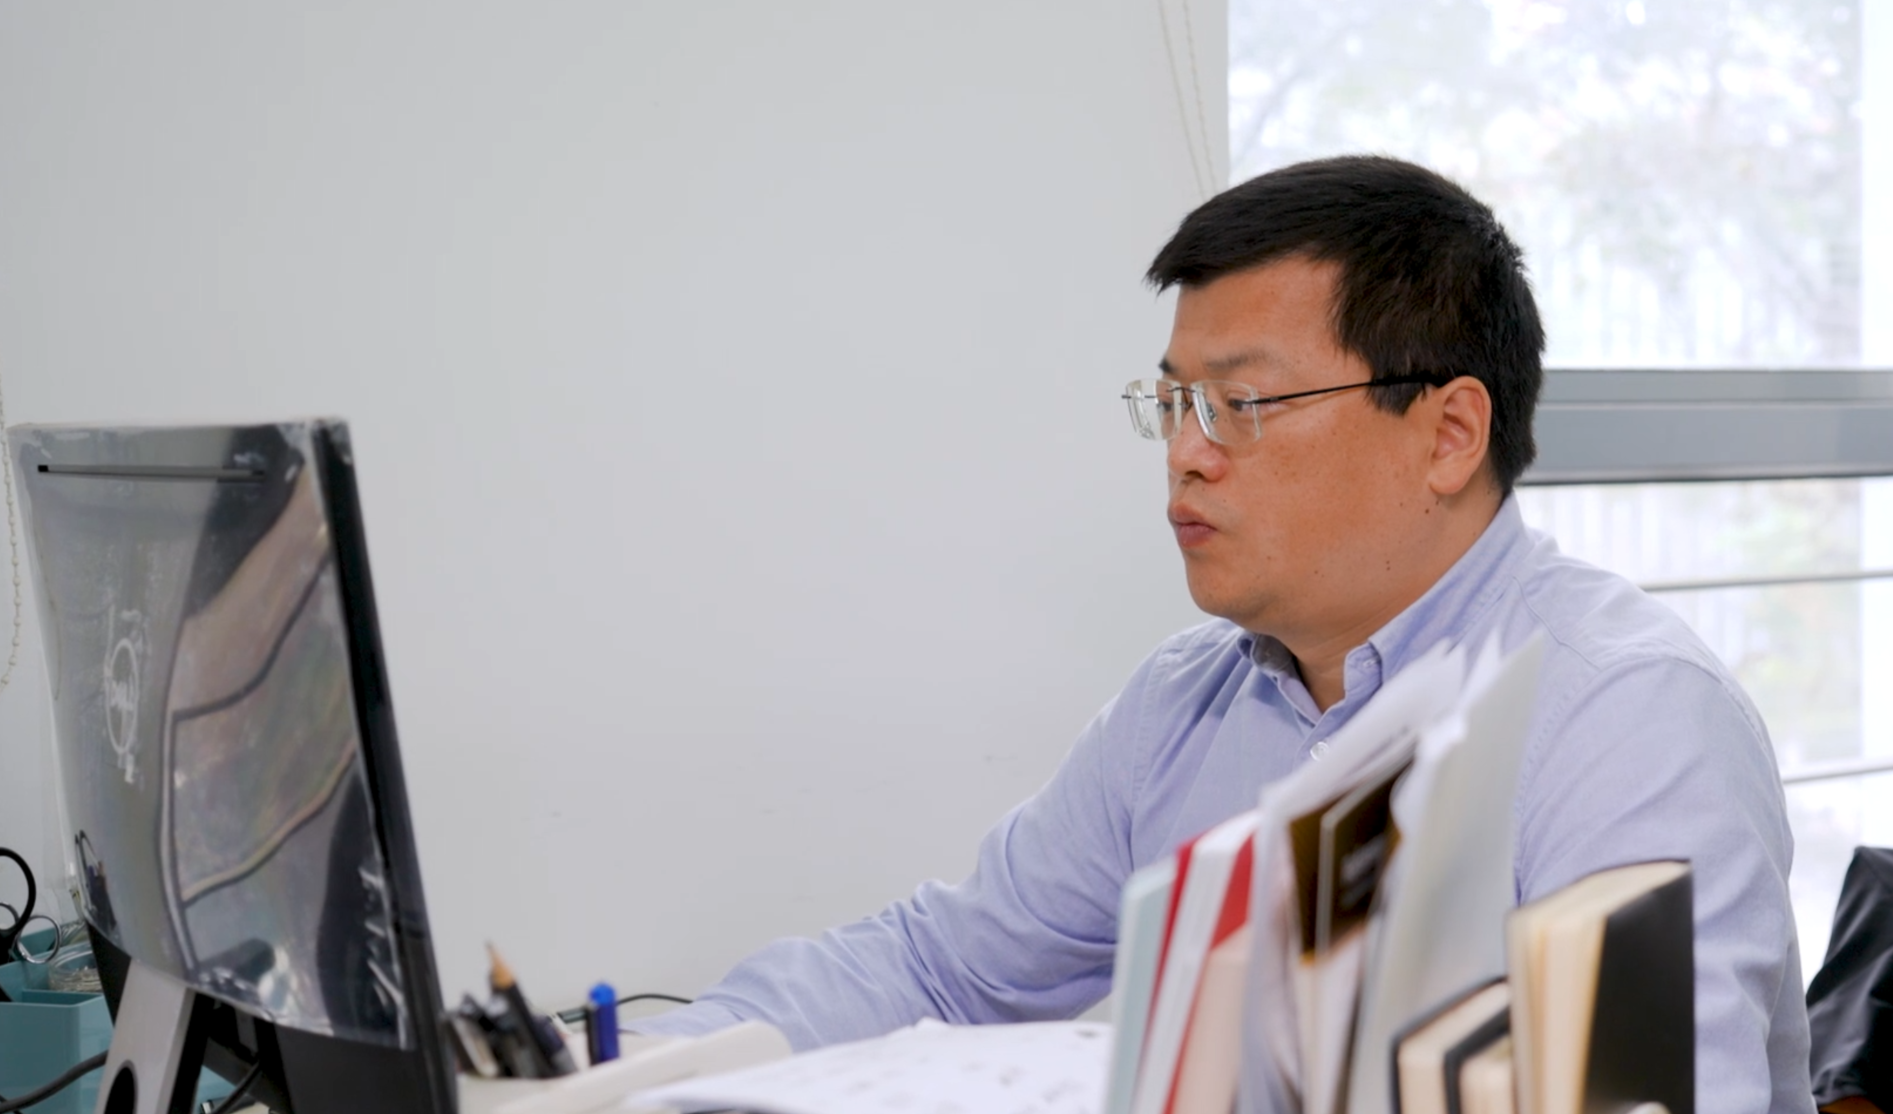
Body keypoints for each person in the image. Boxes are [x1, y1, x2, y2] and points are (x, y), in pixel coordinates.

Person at [633, 156, 1813, 1113]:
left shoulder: (1629, 719)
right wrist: (636, 1074)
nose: (1187, 452)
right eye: (1173, 402)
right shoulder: (1186, 702)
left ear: (1449, 434)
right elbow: (944, 964)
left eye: (1241, 404)